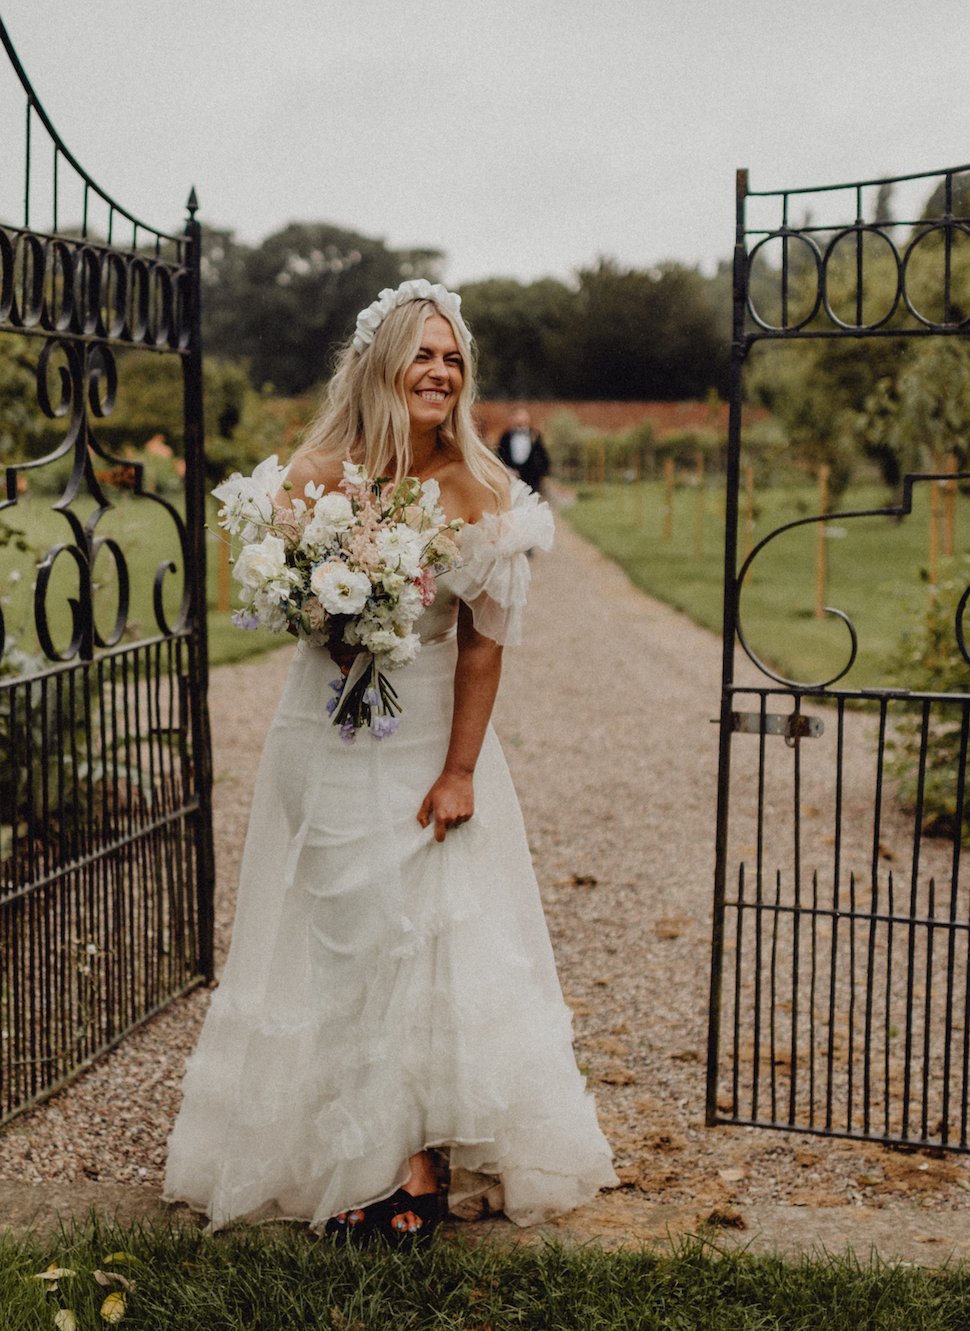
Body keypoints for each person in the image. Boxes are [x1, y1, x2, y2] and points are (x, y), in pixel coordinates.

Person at [162, 279, 616, 1245]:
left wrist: (459, 772)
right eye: (423, 353)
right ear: (382, 366)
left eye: (453, 357)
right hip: (320, 731)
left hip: (426, 742)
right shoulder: (318, 472)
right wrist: (325, 609)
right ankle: (348, 1148)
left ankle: (411, 1165)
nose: (440, 372)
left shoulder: (483, 490)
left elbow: (485, 645)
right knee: (344, 934)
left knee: (422, 939)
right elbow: (285, 593)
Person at [493, 407, 550, 496]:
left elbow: (542, 456)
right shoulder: (506, 436)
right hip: (511, 478)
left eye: (522, 421)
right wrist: (507, 470)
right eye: (517, 422)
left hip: (531, 479)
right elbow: (499, 455)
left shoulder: (535, 435)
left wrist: (540, 474)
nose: (520, 424)